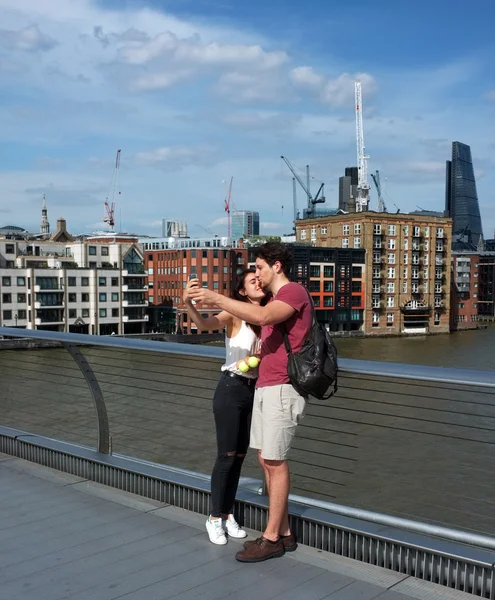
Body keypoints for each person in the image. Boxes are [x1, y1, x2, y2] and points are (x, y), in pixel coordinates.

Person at [189, 242, 312, 563]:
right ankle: (279, 531)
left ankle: (271, 538)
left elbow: (261, 315)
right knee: (262, 460)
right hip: (257, 387)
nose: (255, 274)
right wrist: (195, 304)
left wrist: (215, 296)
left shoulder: (292, 293)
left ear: (276, 266)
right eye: (252, 272)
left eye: (258, 267)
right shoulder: (258, 305)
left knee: (274, 460)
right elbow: (217, 322)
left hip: (281, 387)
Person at [183, 269, 266, 546]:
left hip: (251, 391)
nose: (258, 282)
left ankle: (228, 513)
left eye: (259, 278)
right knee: (226, 456)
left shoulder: (267, 317)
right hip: (231, 388)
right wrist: (189, 304)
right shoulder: (235, 314)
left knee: (240, 455)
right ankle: (214, 517)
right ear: (242, 291)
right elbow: (205, 325)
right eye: (252, 281)